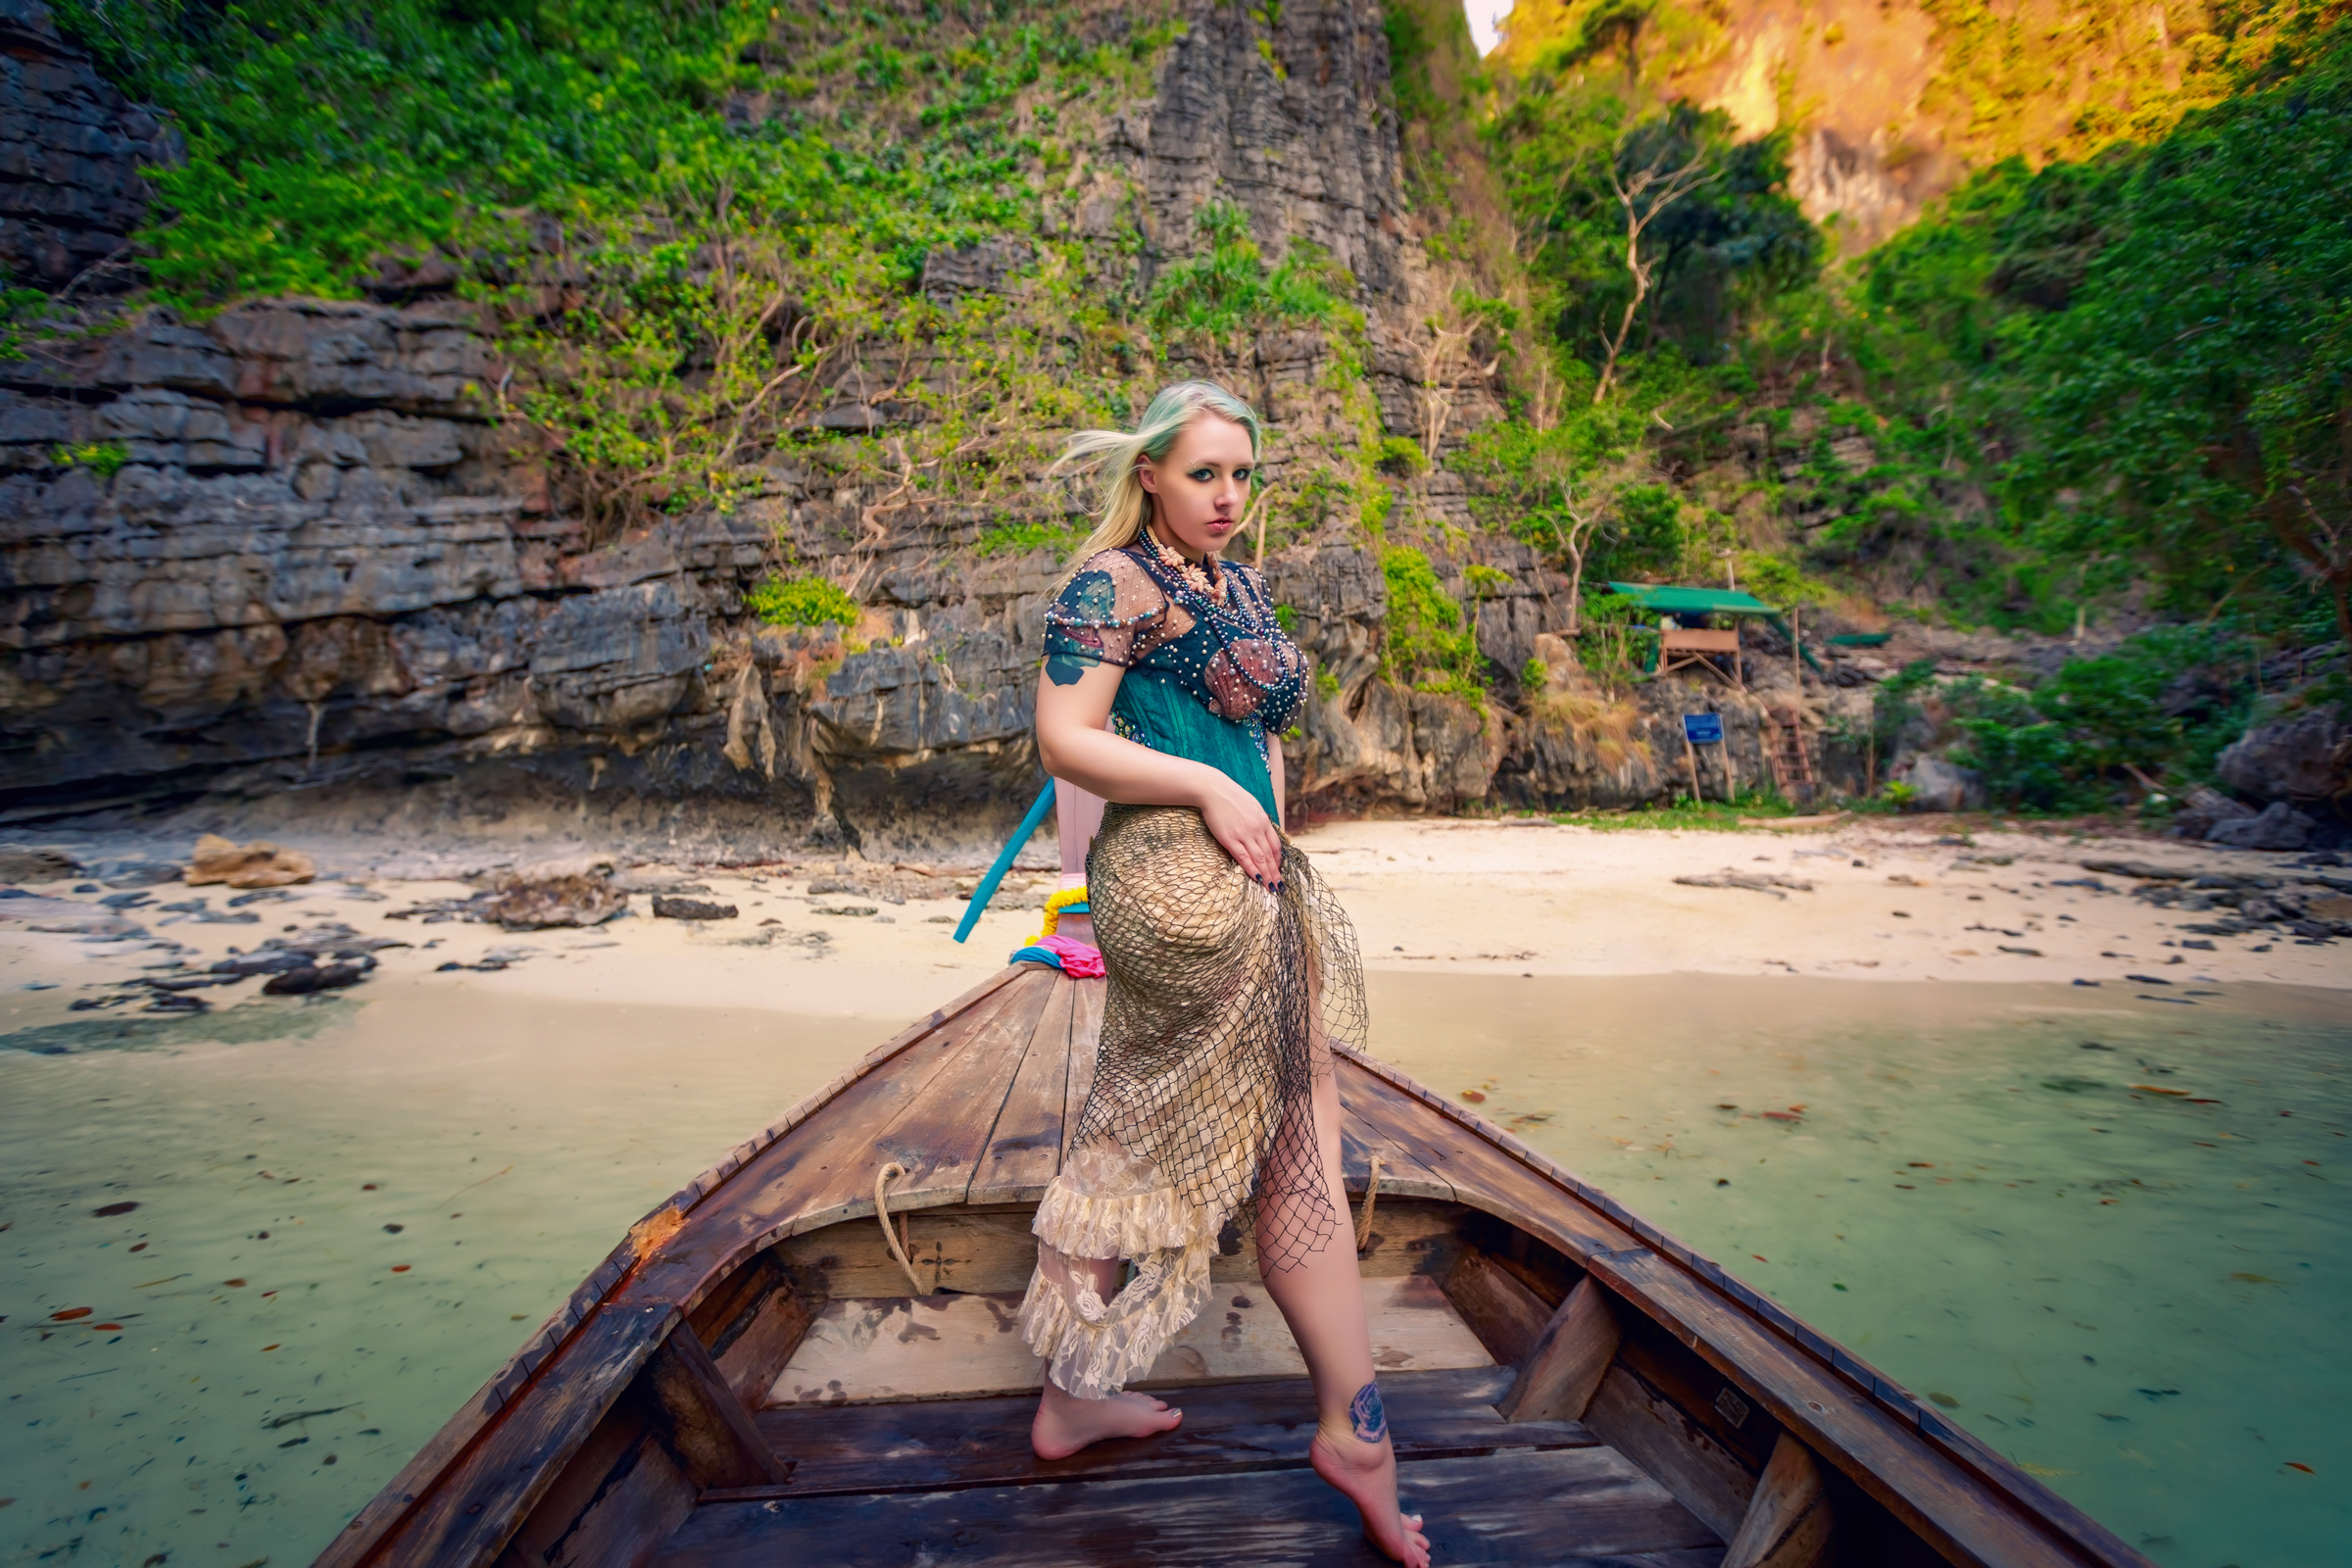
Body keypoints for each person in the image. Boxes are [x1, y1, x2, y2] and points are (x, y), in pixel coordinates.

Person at [1018, 380, 1432, 1567]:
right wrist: (1206, 790)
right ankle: (1354, 1431)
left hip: (1247, 871)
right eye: (1205, 474)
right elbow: (1067, 740)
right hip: (1172, 875)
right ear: (1148, 471)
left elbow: (1260, 735)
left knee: (1147, 1119)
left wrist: (1264, 832)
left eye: (1243, 475)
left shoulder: (1232, 583)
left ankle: (1073, 1392)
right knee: (1293, 1130)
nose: (1229, 496)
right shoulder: (1109, 583)